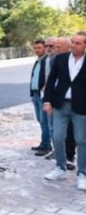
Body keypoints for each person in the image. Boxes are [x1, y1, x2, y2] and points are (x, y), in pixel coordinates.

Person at [43, 31, 86, 189]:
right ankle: (60, 167)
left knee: (81, 140)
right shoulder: (60, 59)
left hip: (81, 106)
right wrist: (47, 100)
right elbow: (51, 80)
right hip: (60, 104)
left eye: (78, 43)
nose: (73, 45)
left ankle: (82, 173)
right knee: (58, 137)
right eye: (72, 42)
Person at [45, 37, 77, 170]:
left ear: (68, 47)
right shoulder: (55, 60)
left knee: (74, 132)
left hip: (76, 102)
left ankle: (70, 157)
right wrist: (48, 100)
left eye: (59, 47)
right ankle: (61, 159)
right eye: (55, 47)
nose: (55, 49)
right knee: (58, 132)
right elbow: (51, 81)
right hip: (59, 101)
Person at [29, 39, 51, 156]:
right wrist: (32, 94)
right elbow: (34, 78)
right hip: (36, 94)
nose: (37, 50)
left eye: (39, 48)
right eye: (35, 48)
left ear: (45, 48)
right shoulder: (37, 61)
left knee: (45, 121)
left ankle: (46, 145)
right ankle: (45, 143)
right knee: (40, 120)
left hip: (43, 96)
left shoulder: (47, 61)